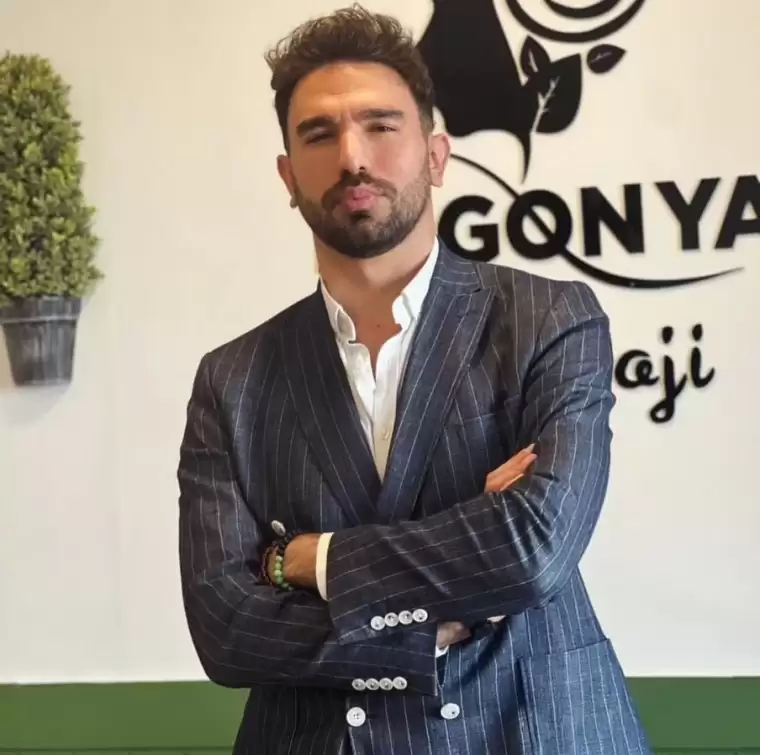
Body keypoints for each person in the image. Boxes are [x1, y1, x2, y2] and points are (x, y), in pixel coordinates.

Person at [177, 5, 652, 754]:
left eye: (380, 125)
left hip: (533, 731)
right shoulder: (232, 380)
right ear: (288, 176)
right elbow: (226, 630)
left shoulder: (549, 318)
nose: (352, 156)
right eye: (319, 134)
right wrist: (418, 633)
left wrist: (307, 560)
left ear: (435, 155)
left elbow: (535, 547)